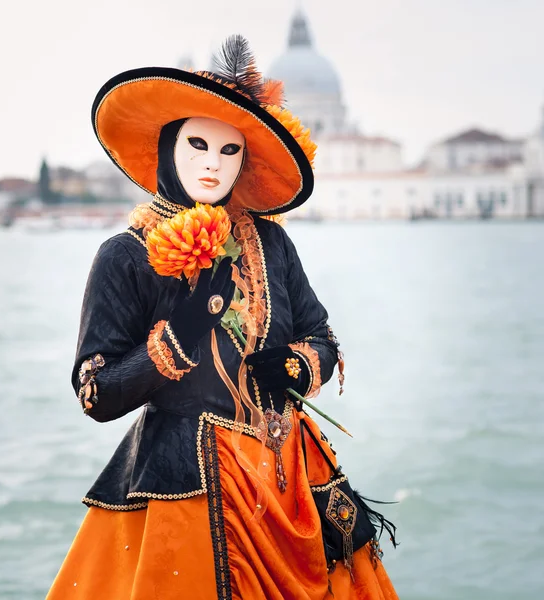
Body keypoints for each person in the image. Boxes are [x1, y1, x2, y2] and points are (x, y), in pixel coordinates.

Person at [47, 35, 398, 600]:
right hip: (188, 489)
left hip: (289, 478)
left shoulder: (271, 243)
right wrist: (184, 331)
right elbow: (96, 393)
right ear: (167, 146)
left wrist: (295, 365)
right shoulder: (126, 255)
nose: (213, 164)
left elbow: (321, 335)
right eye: (198, 145)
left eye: (229, 150)